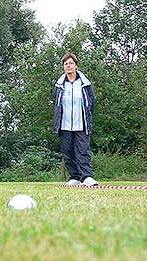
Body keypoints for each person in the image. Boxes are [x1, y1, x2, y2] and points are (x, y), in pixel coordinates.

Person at [52, 53, 99, 186]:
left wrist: (87, 118)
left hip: (81, 123)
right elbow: (55, 102)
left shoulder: (85, 84)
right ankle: (75, 177)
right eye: (66, 64)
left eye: (71, 63)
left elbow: (91, 103)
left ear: (76, 66)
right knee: (68, 151)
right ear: (63, 67)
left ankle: (87, 177)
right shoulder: (59, 85)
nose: (68, 66)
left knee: (83, 151)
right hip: (64, 124)